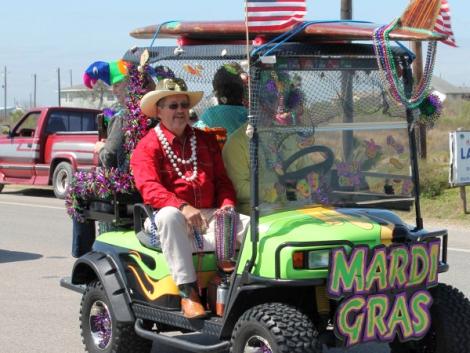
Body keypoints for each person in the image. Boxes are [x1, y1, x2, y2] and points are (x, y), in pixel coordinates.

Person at [130, 78, 249, 319]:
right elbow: (149, 187)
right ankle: (188, 293)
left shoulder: (205, 141)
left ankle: (232, 283)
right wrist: (182, 206)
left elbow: (223, 182)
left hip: (207, 214)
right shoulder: (147, 146)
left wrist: (227, 206)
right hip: (167, 217)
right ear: (159, 111)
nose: (180, 111)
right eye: (173, 106)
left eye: (183, 105)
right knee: (169, 216)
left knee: (256, 228)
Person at [194, 63, 247, 135]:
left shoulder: (211, 115)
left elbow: (192, 134)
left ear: (217, 92)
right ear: (241, 90)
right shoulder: (249, 115)